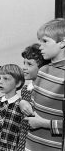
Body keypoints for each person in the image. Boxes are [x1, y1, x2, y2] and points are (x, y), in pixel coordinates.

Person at [20, 18, 65, 151]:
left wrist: (44, 124)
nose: (40, 46)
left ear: (62, 42)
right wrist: (24, 103)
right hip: (30, 145)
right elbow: (34, 106)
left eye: (45, 41)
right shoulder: (43, 70)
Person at [16, 43, 49, 150]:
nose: (24, 68)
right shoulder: (25, 89)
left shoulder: (48, 91)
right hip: (24, 141)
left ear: (42, 68)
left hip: (43, 141)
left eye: (29, 64)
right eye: (24, 63)